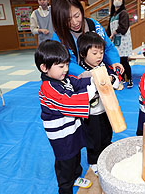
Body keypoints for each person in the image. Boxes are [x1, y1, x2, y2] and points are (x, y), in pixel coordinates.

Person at [35, 40, 99, 193]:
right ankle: (65, 188)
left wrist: (94, 79)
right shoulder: (47, 88)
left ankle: (76, 177)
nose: (66, 70)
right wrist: (90, 92)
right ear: (44, 68)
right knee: (66, 162)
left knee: (76, 154)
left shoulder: (63, 79)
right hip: (61, 136)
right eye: (61, 66)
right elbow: (67, 103)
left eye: (67, 65)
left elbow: (77, 83)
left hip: (72, 128)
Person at [77, 31, 120, 175]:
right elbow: (81, 94)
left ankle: (107, 152)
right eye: (95, 53)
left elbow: (117, 82)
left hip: (106, 110)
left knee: (107, 133)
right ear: (83, 53)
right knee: (93, 139)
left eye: (101, 52)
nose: (99, 56)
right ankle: (94, 162)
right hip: (90, 113)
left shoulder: (103, 66)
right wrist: (94, 82)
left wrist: (113, 79)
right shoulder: (81, 72)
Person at [51, 0, 124, 78]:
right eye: (67, 20)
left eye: (77, 15)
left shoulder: (93, 25)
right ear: (59, 19)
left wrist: (114, 61)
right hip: (74, 79)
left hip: (98, 72)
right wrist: (83, 73)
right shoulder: (59, 37)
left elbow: (108, 47)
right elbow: (62, 63)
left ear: (81, 10)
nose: (75, 22)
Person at [107, 0, 133, 88]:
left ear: (122, 1)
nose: (117, 0)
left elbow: (123, 28)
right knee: (118, 61)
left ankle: (129, 79)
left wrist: (114, 33)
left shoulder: (124, 13)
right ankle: (120, 79)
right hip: (115, 42)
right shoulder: (113, 15)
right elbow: (108, 29)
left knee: (124, 61)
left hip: (123, 41)